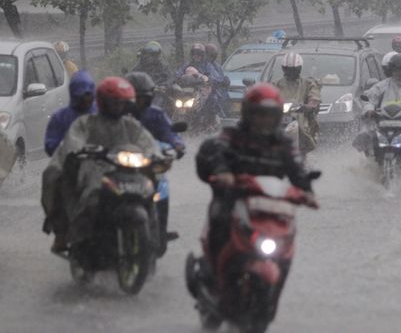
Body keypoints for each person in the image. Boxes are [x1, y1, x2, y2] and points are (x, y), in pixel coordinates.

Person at [195, 83, 317, 272]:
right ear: (248, 113)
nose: (264, 121)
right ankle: (211, 269)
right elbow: (217, 152)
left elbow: (296, 169)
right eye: (259, 114)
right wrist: (223, 172)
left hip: (269, 202)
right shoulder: (232, 136)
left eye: (269, 115)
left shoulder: (284, 143)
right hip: (234, 197)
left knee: (288, 230)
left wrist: (307, 191)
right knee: (219, 217)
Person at [41, 77, 159, 253]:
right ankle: (64, 231)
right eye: (114, 103)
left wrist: (157, 157)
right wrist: (77, 153)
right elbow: (73, 142)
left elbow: (147, 143)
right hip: (93, 168)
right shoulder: (85, 122)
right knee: (58, 178)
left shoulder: (131, 125)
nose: (118, 107)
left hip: (126, 170)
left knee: (152, 190)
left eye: (122, 103)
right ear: (104, 102)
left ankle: (154, 238)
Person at [125, 72, 186, 247]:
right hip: (120, 163)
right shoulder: (117, 113)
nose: (139, 102)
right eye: (135, 98)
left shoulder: (156, 114)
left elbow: (170, 133)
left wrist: (177, 145)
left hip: (149, 162)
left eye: (143, 98)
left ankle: (160, 230)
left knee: (163, 187)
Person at [272, 53, 321, 154]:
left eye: (294, 69)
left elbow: (314, 97)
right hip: (278, 118)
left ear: (299, 69)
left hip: (301, 119)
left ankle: (302, 159)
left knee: (306, 137)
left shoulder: (308, 84)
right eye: (288, 69)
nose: (290, 72)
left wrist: (310, 106)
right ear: (283, 68)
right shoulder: (275, 84)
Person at [44, 70, 97, 157]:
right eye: (81, 96)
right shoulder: (60, 117)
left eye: (88, 95)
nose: (85, 99)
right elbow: (50, 145)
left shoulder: (102, 112)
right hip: (70, 164)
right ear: (73, 94)